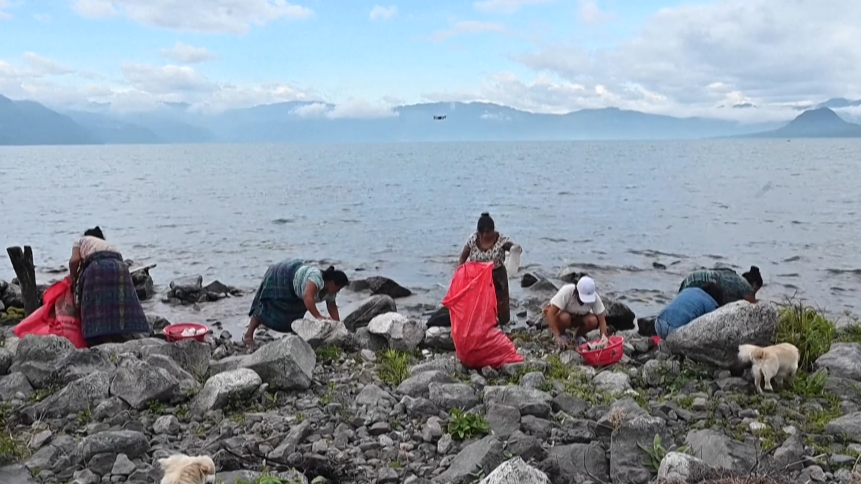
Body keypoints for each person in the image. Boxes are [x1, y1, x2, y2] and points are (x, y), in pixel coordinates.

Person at [69, 227, 150, 346]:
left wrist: (73, 276)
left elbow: (74, 261)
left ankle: (100, 337)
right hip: (121, 268)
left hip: (96, 268)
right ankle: (120, 332)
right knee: (118, 301)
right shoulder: (107, 244)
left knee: (94, 304)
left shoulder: (80, 241)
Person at [243, 260, 349, 347]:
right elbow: (308, 297)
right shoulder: (316, 278)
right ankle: (248, 335)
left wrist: (338, 327)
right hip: (283, 277)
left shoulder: (330, 291)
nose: (338, 291)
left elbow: (332, 307)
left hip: (297, 293)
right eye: (338, 288)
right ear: (332, 282)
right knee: (267, 306)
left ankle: (294, 340)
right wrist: (319, 317)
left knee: (295, 316)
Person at [457, 213, 522, 325]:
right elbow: (463, 257)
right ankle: (482, 325)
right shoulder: (473, 240)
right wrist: (459, 274)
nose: (491, 235)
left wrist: (514, 249)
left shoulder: (500, 239)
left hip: (497, 277)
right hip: (478, 277)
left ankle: (503, 327)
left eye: (492, 232)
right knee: (479, 304)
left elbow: (509, 246)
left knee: (501, 305)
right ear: (481, 233)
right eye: (487, 233)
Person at [544, 276, 609, 350]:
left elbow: (602, 319)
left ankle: (578, 336)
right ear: (577, 291)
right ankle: (562, 333)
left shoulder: (595, 298)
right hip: (561, 316)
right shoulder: (567, 291)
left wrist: (603, 338)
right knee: (565, 317)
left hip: (578, 316)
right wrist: (557, 336)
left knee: (593, 320)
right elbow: (550, 313)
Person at [655, 281, 724, 339]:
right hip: (675, 330)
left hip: (658, 323)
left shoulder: (688, 290)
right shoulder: (711, 303)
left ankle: (661, 339)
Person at [679, 266, 763, 304]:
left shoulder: (735, 279)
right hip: (698, 282)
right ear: (754, 285)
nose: (754, 294)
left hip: (691, 279)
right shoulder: (746, 286)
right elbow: (752, 305)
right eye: (756, 291)